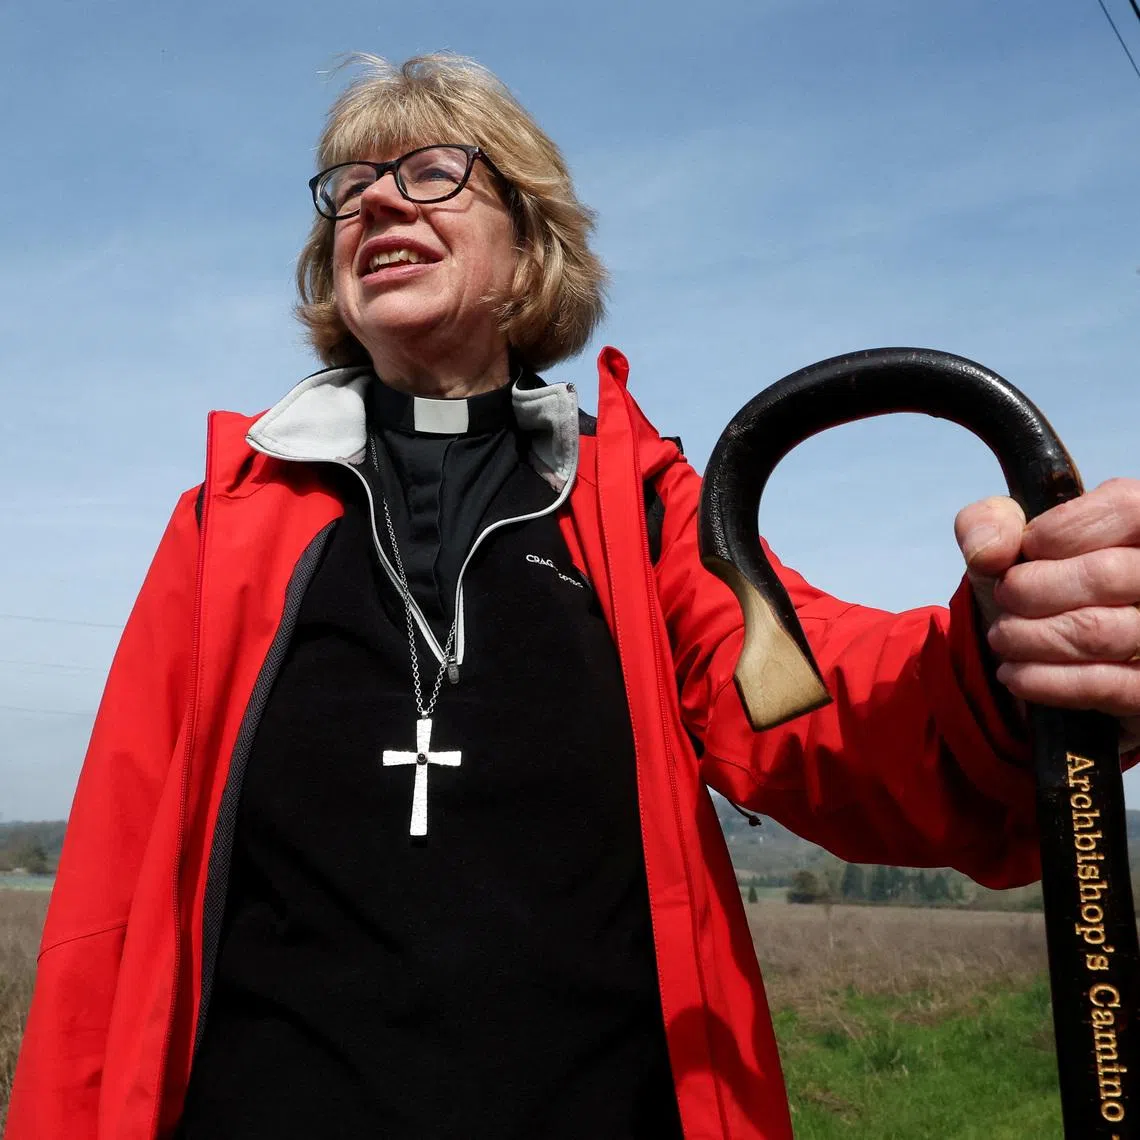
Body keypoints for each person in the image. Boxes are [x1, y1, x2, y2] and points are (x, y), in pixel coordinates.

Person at [9, 52, 1140, 1140]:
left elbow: (809, 707)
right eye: (350, 188)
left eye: (433, 173)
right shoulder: (228, 516)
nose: (379, 205)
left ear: (531, 241)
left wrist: (1003, 661)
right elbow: (112, 892)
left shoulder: (636, 510)